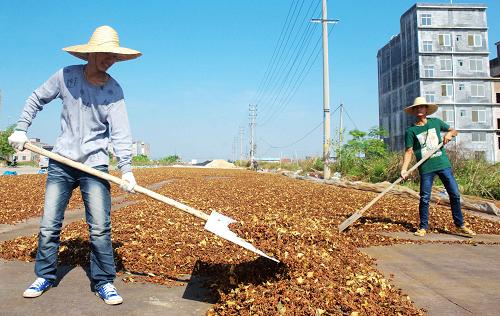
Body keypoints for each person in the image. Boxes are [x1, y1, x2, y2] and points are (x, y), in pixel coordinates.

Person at [8, 25, 141, 305]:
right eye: (106, 54)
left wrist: (126, 169)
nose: (110, 60)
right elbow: (36, 98)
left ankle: (104, 281)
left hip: (95, 166)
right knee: (49, 224)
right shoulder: (65, 76)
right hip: (61, 162)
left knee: (100, 227)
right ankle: (45, 275)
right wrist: (22, 128)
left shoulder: (114, 91)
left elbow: (120, 133)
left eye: (114, 56)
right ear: (91, 53)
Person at [400, 97, 475, 237]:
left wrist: (449, 134)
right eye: (416, 108)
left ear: (426, 109)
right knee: (424, 198)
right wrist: (404, 169)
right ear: (414, 111)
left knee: (455, 194)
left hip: (442, 164)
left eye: (421, 107)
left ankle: (459, 225)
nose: (419, 109)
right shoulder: (411, 131)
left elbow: (454, 130)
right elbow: (408, 151)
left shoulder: (435, 123)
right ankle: (423, 227)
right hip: (426, 168)